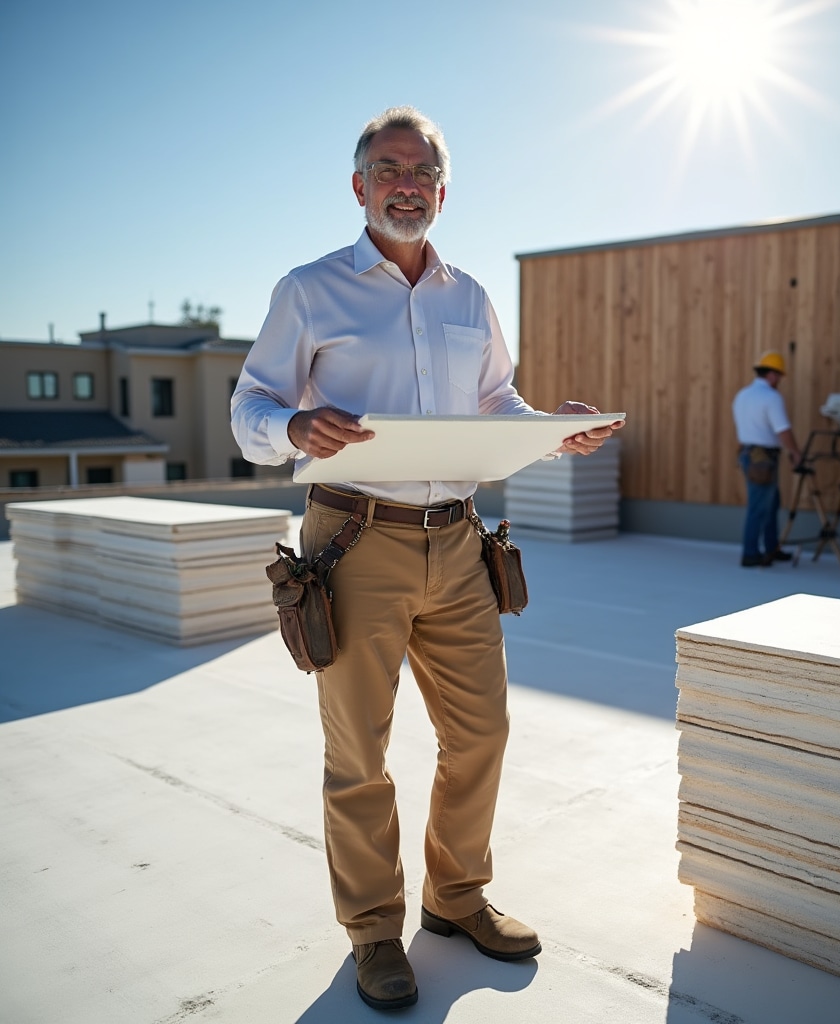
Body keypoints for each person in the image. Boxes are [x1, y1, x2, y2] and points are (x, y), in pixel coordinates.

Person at [230, 105, 621, 1012]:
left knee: (480, 732)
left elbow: (497, 405)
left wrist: (551, 432)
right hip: (352, 540)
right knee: (358, 752)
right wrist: (290, 422)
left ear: (442, 192)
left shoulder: (469, 296)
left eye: (422, 173)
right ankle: (373, 930)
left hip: (459, 540)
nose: (406, 184)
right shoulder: (309, 289)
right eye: (388, 168)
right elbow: (249, 405)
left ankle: (456, 899)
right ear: (359, 185)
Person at [731, 351, 803, 567]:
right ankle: (751, 553)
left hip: (749, 455)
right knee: (760, 506)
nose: (780, 380)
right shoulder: (771, 397)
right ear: (772, 374)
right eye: (779, 375)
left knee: (770, 503)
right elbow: (783, 430)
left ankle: (771, 548)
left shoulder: (742, 395)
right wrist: (795, 452)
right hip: (763, 459)